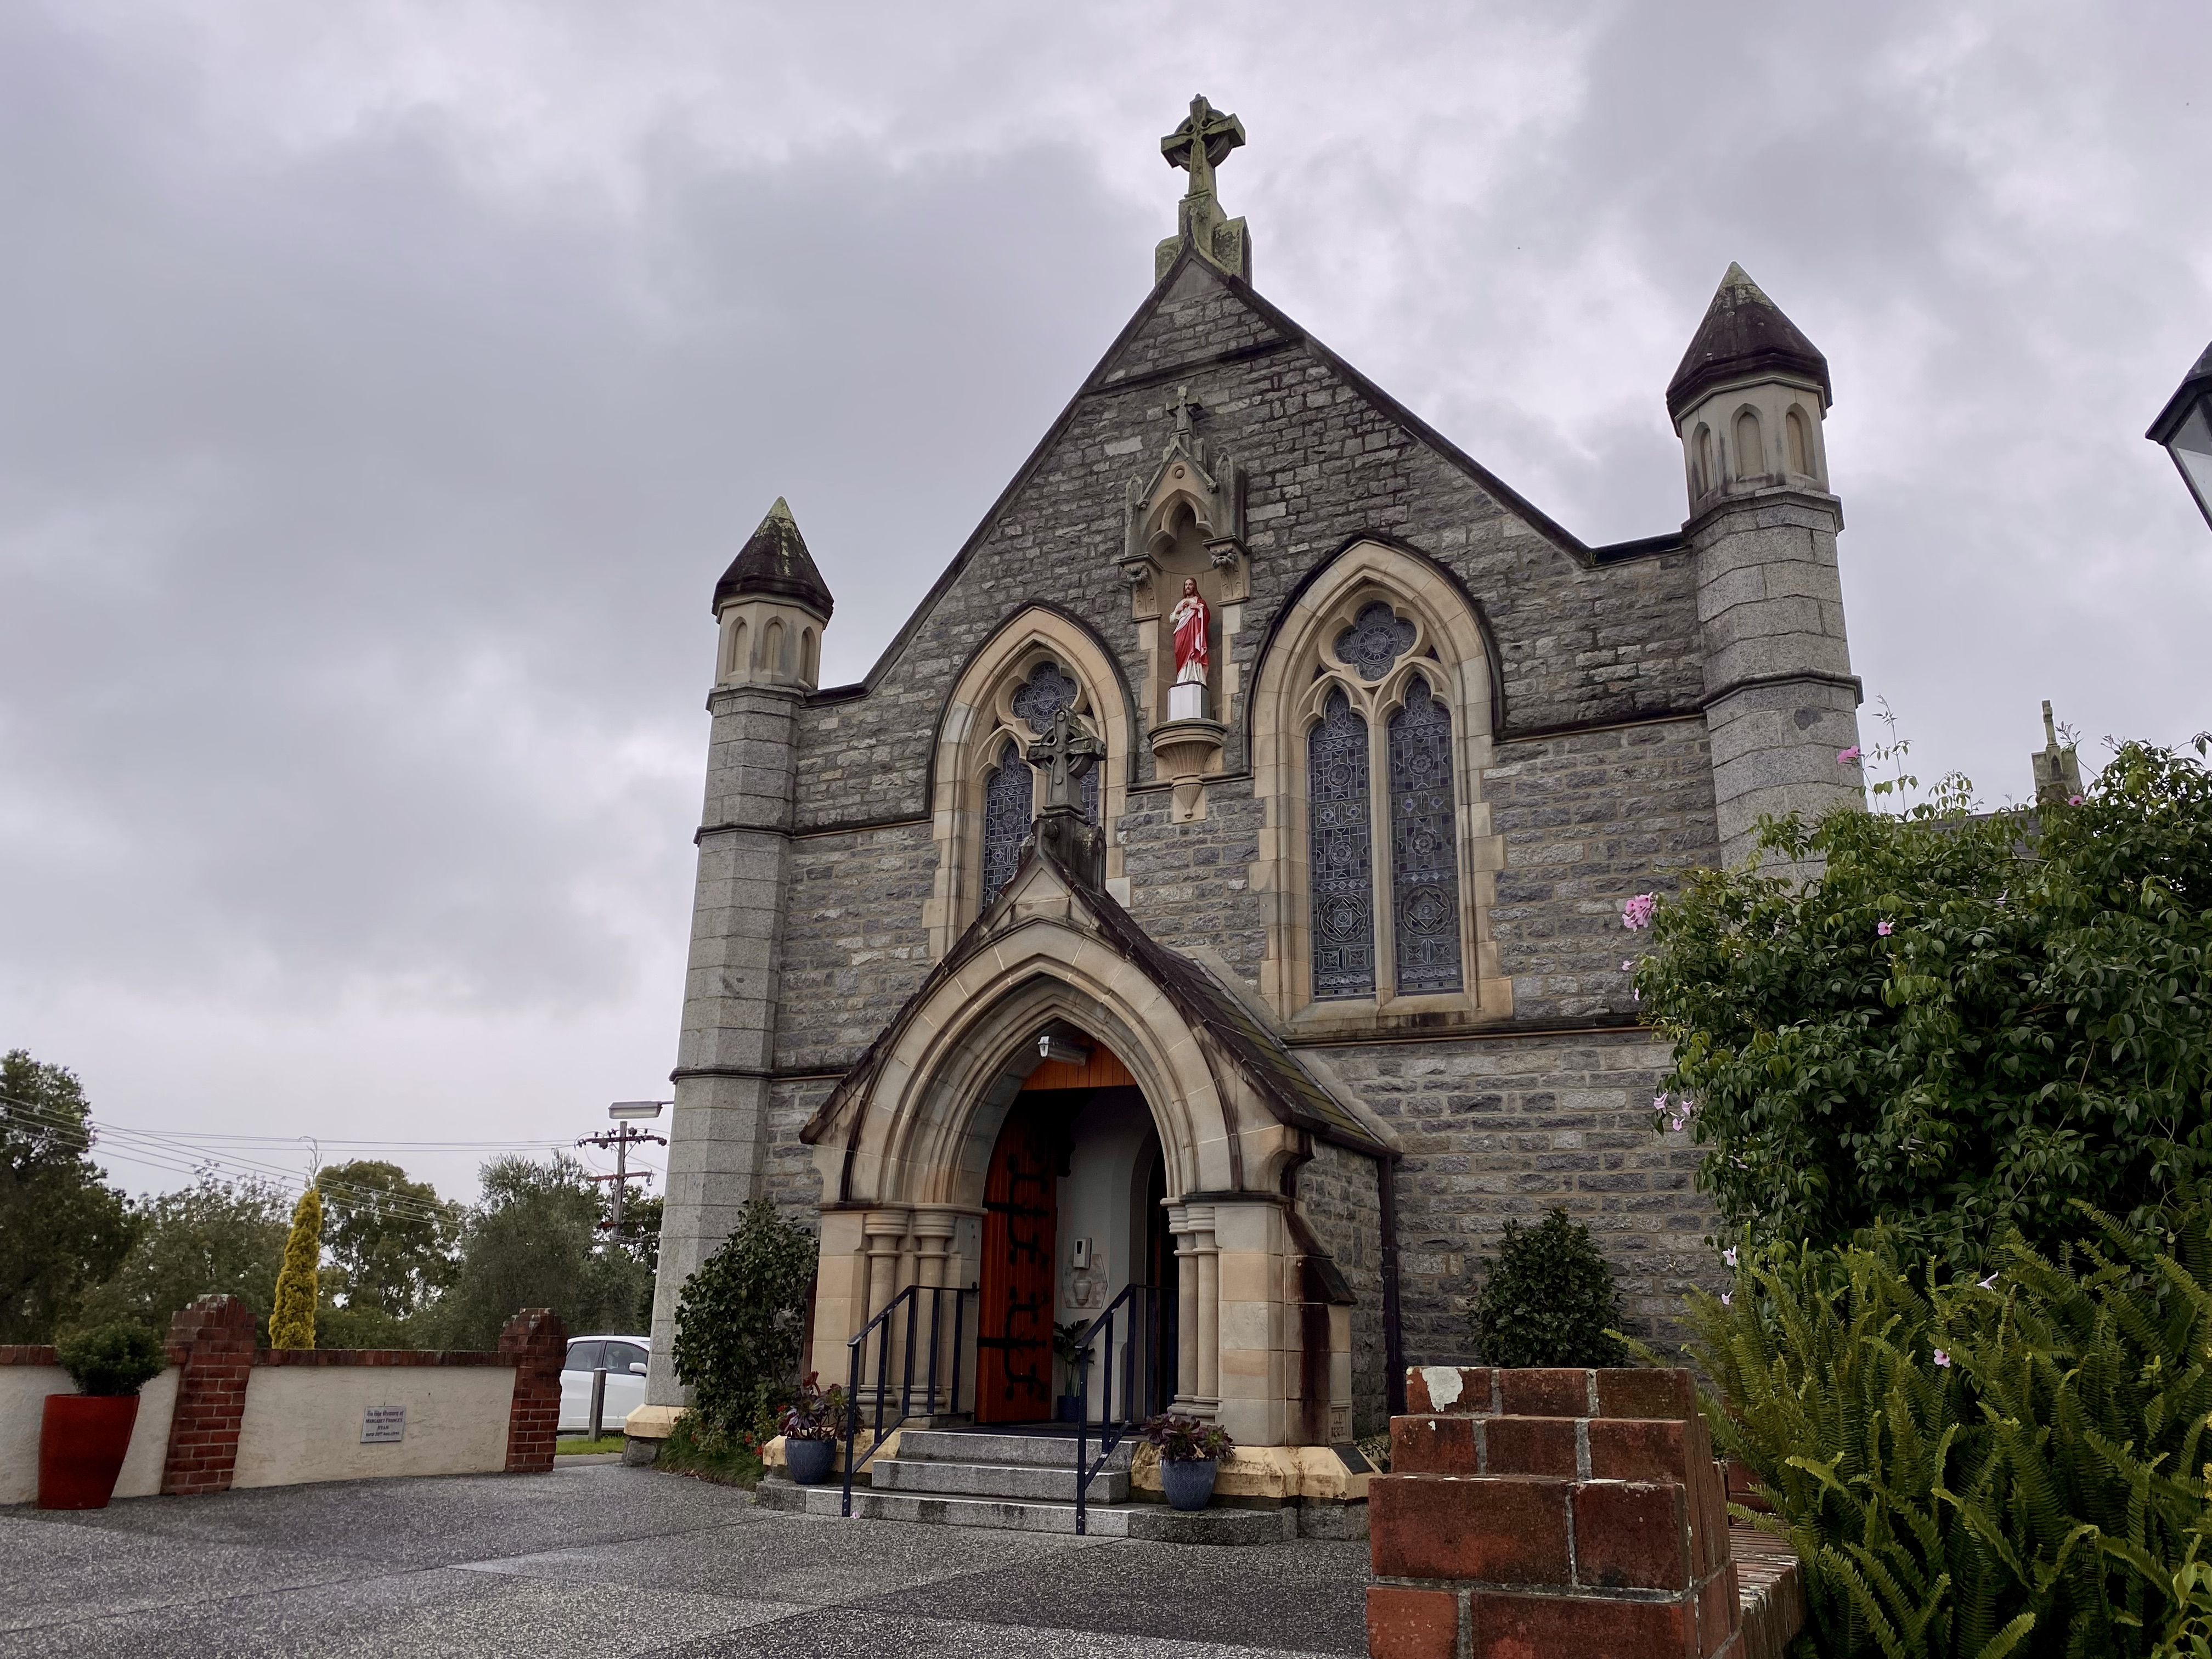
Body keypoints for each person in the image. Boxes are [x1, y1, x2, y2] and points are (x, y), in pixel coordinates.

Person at [1170, 578, 1209, 717]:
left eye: (1190, 584)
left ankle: (1195, 676)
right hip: (1182, 633)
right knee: (1180, 652)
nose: (1188, 587)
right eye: (1186, 585)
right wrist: (1178, 611)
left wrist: (1197, 608)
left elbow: (1206, 616)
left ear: (1194, 587)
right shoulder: (1181, 603)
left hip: (1195, 634)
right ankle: (1183, 677)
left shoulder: (1199, 601)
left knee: (1194, 653)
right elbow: (1172, 619)